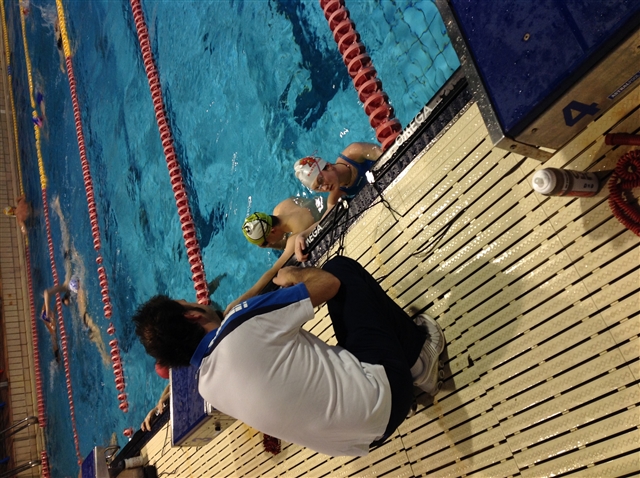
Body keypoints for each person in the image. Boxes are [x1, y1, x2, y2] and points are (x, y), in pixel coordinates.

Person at [132, 256, 445, 456]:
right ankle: (421, 362)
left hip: (363, 442)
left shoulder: (207, 390)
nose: (192, 299)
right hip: (388, 396)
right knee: (340, 269)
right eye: (185, 300)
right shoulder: (239, 323)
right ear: (191, 316)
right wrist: (293, 274)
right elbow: (328, 285)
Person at [224, 196, 325, 315]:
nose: (269, 244)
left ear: (272, 231)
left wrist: (241, 300)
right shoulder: (281, 207)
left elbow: (274, 271)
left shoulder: (294, 239)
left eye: (266, 242)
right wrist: (269, 244)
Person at [293, 142, 382, 261]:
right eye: (318, 188)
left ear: (328, 166)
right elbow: (325, 221)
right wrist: (303, 235)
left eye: (321, 180)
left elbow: (386, 153)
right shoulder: (335, 196)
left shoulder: (354, 153)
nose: (324, 188)